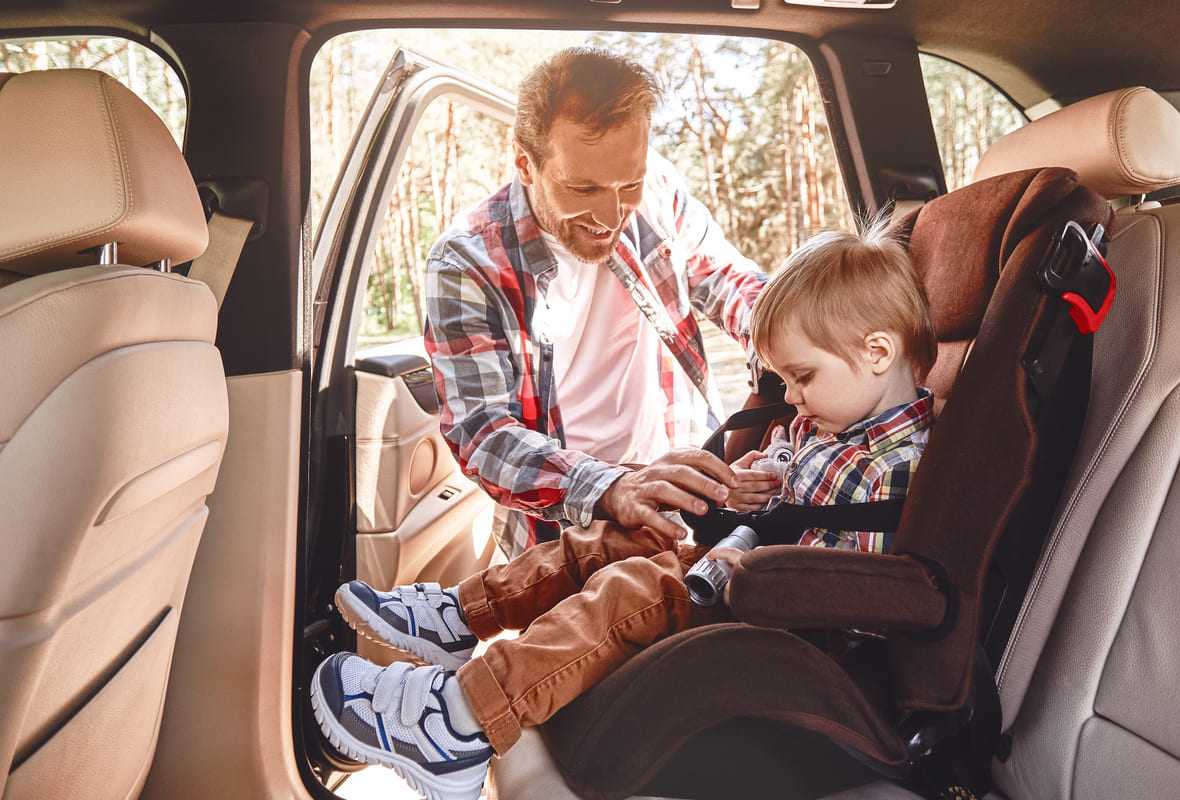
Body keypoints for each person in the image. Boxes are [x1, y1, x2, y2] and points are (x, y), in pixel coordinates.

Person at [309, 220, 939, 799]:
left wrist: (749, 542)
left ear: (879, 353)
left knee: (628, 588)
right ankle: (461, 615)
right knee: (612, 538)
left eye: (802, 377)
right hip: (740, 558)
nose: (793, 399)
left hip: (791, 610)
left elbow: (840, 575)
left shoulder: (895, 464)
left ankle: (461, 721)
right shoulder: (834, 422)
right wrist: (751, 482)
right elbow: (791, 473)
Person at [423, 46, 768, 556]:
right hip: (559, 524)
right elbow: (483, 434)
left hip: (681, 492)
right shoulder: (466, 261)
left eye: (628, 182)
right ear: (525, 161)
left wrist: (795, 336)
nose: (611, 214)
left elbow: (728, 281)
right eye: (581, 187)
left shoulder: (657, 193)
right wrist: (609, 487)